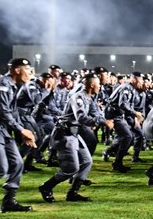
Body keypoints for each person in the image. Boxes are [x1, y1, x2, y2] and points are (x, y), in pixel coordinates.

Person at [38, 73, 114, 202]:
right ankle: (46, 186)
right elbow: (81, 117)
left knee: (87, 162)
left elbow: (96, 114)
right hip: (64, 134)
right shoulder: (77, 97)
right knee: (71, 169)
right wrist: (102, 122)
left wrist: (103, 120)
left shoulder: (90, 98)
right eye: (98, 84)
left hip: (74, 134)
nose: (100, 87)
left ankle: (73, 193)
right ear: (91, 85)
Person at [0, 58, 36, 212]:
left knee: (17, 163)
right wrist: (21, 130)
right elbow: (3, 111)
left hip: (2, 129)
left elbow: (12, 112)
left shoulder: (14, 85)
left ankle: (9, 201)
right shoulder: (3, 84)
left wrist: (25, 131)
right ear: (17, 70)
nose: (30, 73)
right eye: (27, 69)